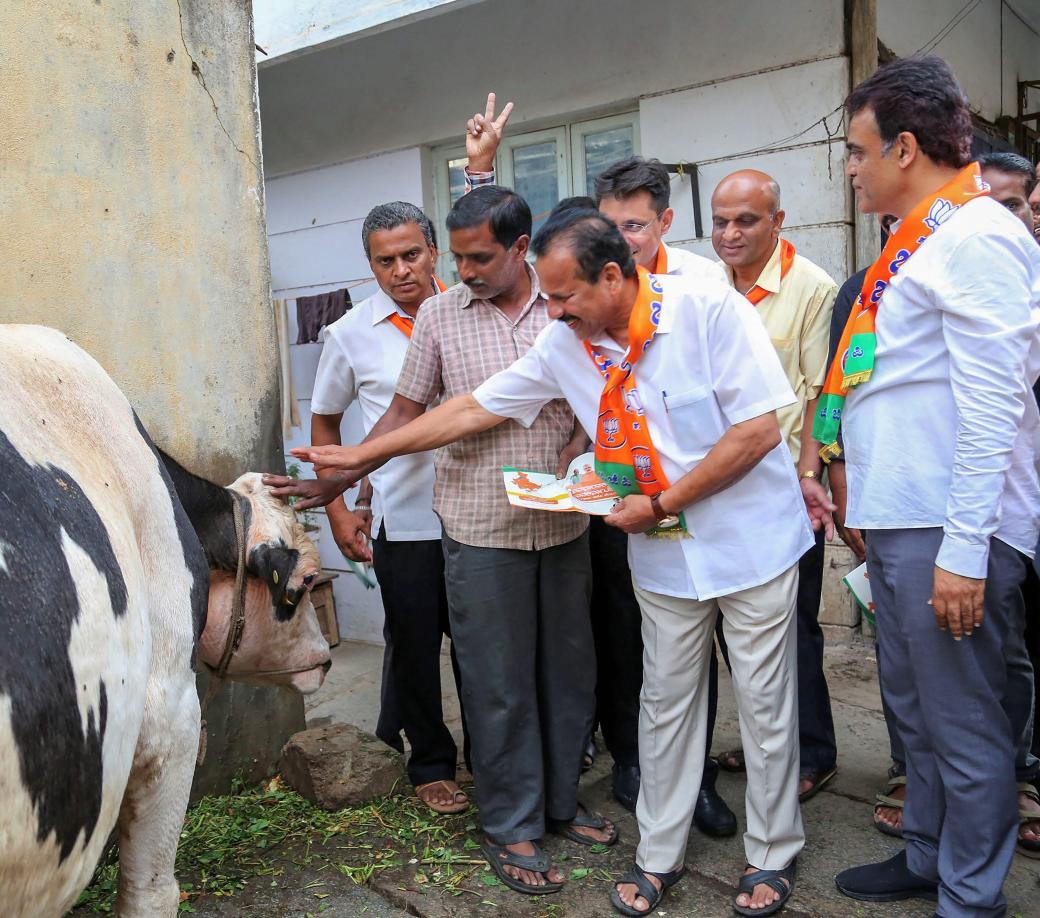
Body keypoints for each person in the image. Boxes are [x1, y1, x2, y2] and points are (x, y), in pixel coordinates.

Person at [290, 208, 835, 916]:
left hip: (748, 545)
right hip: (664, 556)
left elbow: (758, 430)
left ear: (613, 276)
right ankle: (659, 854)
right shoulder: (564, 342)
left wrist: (664, 501)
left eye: (564, 297)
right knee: (665, 704)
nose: (551, 312)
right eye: (546, 298)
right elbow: (471, 410)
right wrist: (360, 457)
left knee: (764, 706)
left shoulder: (707, 309)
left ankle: (771, 853)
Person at [268, 184, 614, 897]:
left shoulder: (564, 306)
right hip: (480, 525)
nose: (465, 271)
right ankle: (512, 819)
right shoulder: (441, 317)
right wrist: (341, 479)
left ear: (522, 249)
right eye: (456, 258)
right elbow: (404, 409)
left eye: (479, 256)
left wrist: (582, 450)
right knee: (497, 681)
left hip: (565, 520)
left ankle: (558, 798)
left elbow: (600, 397)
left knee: (567, 672)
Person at [464, 96, 737, 835]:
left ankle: (690, 778)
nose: (623, 241)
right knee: (616, 638)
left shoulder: (703, 293)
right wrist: (479, 170)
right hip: (602, 502)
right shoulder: (571, 309)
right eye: (611, 229)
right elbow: (494, 258)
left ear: (661, 226)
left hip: (691, 503)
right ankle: (627, 763)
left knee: (682, 650)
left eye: (635, 227)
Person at [829, 57, 1039, 916]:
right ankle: (926, 855)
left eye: (857, 149)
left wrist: (963, 551)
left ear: (906, 147)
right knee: (917, 718)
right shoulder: (919, 238)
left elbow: (996, 406)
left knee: (963, 725)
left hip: (950, 531)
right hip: (900, 520)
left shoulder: (982, 236)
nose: (850, 167)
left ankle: (969, 895)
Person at [306, 201, 469, 815]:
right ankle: (429, 762)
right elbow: (325, 421)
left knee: (484, 650)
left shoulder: (470, 312)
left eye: (411, 255)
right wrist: (338, 511)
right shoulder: (350, 334)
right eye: (385, 260)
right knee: (415, 647)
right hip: (407, 521)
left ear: (434, 252)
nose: (401, 270)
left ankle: (494, 756)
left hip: (482, 516)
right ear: (370, 266)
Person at [708, 169, 840, 803]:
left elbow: (822, 396)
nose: (730, 234)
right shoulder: (704, 288)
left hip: (787, 492)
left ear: (778, 221)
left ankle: (812, 752)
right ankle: (770, 743)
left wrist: (812, 476)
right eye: (722, 221)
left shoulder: (812, 288)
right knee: (744, 634)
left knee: (794, 630)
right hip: (717, 490)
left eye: (747, 221)